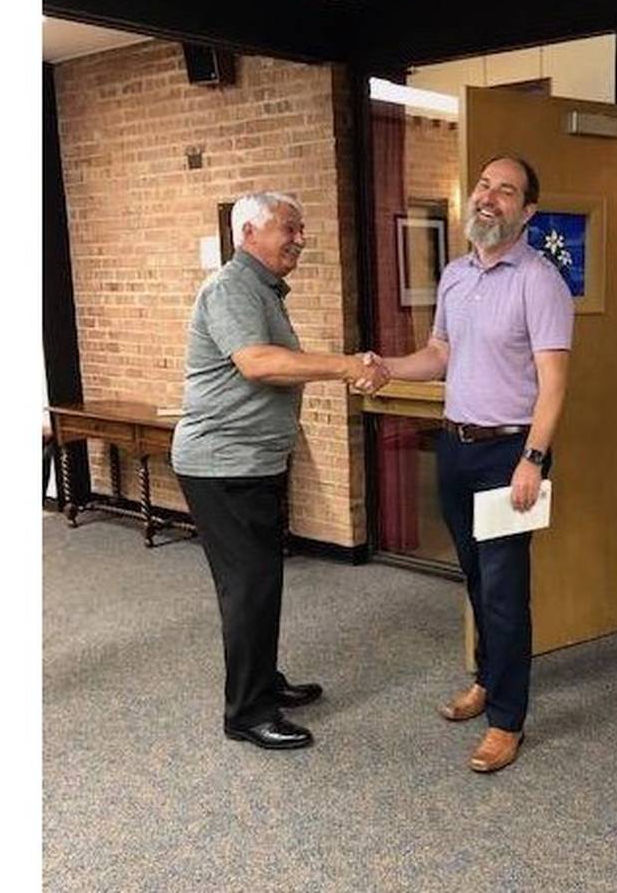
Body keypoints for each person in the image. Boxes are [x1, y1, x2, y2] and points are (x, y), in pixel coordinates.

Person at [365, 155, 572, 773]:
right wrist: (386, 368)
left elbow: (555, 384)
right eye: (484, 185)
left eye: (505, 191)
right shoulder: (456, 276)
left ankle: (507, 719)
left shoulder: (540, 282)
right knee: (477, 582)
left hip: (512, 453)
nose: (489, 197)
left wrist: (533, 459)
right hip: (456, 447)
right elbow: (438, 354)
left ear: (527, 211)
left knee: (507, 590)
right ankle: (487, 679)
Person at [171, 191, 386, 751]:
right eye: (288, 228)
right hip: (222, 465)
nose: (299, 238)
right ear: (248, 234)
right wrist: (346, 366)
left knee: (262, 581)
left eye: (300, 228)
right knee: (247, 587)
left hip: (251, 461)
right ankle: (246, 712)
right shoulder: (231, 288)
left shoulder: (259, 288)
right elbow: (259, 363)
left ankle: (263, 681)